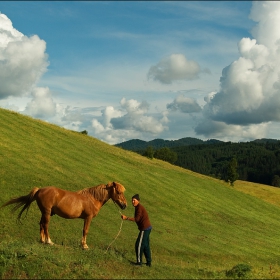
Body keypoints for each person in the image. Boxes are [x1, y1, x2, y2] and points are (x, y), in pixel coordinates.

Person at [121, 194, 152, 267]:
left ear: (138, 201)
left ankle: (139, 263)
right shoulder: (138, 207)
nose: (133, 202)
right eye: (132, 200)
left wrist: (126, 218)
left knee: (139, 245)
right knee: (146, 246)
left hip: (145, 229)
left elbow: (137, 219)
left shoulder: (139, 208)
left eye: (134, 200)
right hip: (148, 228)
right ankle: (149, 262)